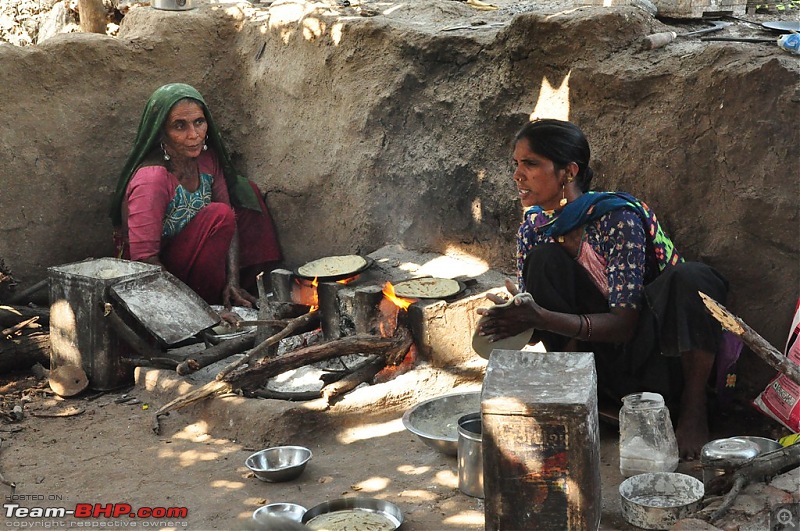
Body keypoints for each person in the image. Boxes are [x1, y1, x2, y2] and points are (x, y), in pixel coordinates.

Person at [476, 118, 734, 460]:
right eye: (516, 164)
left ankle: (693, 407)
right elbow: (541, 330)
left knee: (694, 279)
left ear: (568, 172)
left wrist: (541, 317)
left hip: (651, 357)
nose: (517, 175)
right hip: (597, 367)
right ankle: (581, 398)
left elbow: (625, 324)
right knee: (543, 260)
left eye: (531, 164)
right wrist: (513, 315)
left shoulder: (615, 219)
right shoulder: (534, 229)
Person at [110, 83, 281, 310]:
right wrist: (195, 310)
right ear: (162, 132)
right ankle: (209, 301)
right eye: (179, 126)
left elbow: (232, 221)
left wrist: (233, 282)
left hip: (198, 257)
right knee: (217, 215)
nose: (193, 135)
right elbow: (144, 262)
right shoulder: (152, 179)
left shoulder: (207, 160)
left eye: (199, 122)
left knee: (246, 195)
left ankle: (237, 290)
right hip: (159, 278)